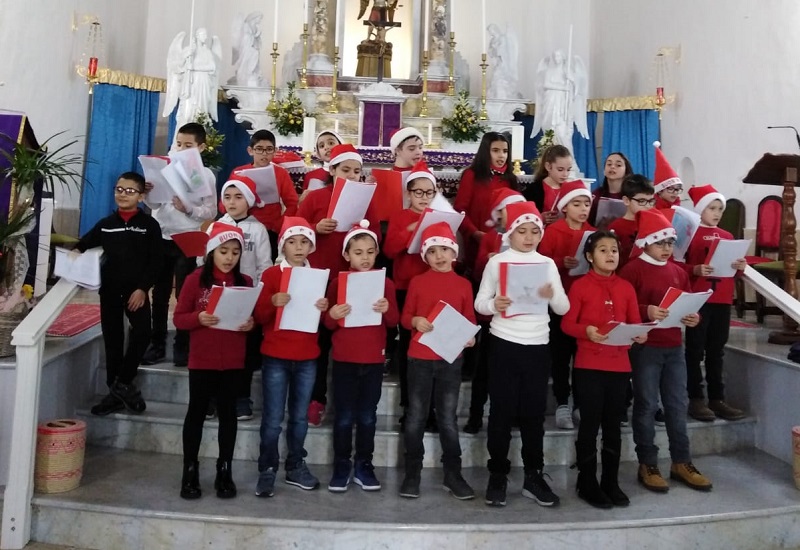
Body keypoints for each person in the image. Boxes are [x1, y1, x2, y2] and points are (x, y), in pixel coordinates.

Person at [474, 201, 569, 508]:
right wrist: (494, 306)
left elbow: (563, 308)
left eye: (535, 231)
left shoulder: (547, 264)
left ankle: (533, 475)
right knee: (501, 411)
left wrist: (552, 294)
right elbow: (480, 303)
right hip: (504, 342)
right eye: (522, 231)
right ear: (510, 233)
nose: (529, 237)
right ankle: (498, 474)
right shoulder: (497, 263)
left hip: (538, 345)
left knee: (533, 414)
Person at [618, 209, 713, 493]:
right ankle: (647, 462)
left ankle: (681, 460)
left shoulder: (677, 271)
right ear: (646, 242)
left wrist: (692, 317)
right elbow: (625, 306)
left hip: (673, 345)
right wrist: (646, 310)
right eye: (661, 243)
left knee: (677, 404)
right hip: (646, 347)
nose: (666, 249)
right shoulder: (632, 269)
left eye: (670, 243)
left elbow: (686, 304)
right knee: (646, 405)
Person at [561, 230, 646, 508]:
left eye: (614, 250)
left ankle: (610, 481)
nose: (610, 255)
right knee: (590, 425)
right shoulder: (580, 286)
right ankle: (587, 482)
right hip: (589, 366)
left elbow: (635, 323)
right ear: (589, 256)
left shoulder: (626, 287)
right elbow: (566, 324)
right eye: (603, 250)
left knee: (613, 426)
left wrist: (640, 334)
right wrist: (586, 331)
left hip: (620, 367)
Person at [298, 143, 381, 427]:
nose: (352, 175)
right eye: (345, 170)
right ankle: (315, 398)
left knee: (349, 341)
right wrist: (315, 228)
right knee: (319, 341)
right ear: (331, 170)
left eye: (357, 171)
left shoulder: (365, 200)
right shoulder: (315, 197)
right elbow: (294, 231)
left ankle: (350, 403)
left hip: (354, 279)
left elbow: (374, 234)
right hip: (321, 277)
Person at [173, 223, 254, 500]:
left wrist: (250, 324)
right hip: (202, 359)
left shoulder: (245, 282)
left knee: (228, 416)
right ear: (212, 252)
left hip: (232, 360)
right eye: (224, 251)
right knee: (196, 413)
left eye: (234, 252)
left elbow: (249, 318)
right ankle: (190, 469)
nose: (229, 257)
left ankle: (225, 468)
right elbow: (179, 318)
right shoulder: (196, 279)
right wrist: (199, 318)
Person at [399, 222, 476, 500]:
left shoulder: (464, 285)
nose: (439, 255)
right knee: (416, 416)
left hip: (450, 359)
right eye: (433, 251)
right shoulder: (418, 282)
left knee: (447, 418)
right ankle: (412, 473)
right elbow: (405, 317)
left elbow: (470, 321)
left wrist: (470, 338)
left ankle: (453, 474)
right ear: (425, 256)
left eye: (445, 249)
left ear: (454, 252)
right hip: (419, 357)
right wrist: (416, 321)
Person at [254, 217, 329, 498]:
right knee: (273, 418)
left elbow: (323, 323)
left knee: (299, 417)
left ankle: (295, 464)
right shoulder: (272, 275)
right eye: (292, 242)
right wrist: (272, 303)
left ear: (311, 246)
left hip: (307, 355)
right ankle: (267, 468)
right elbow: (259, 317)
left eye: (305, 242)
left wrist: (324, 308)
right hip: (275, 354)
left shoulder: (319, 275)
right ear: (282, 245)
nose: (299, 248)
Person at [76, 172, 162, 416]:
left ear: (141, 196)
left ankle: (123, 383)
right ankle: (115, 394)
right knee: (112, 343)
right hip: (111, 292)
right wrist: (71, 255)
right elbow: (83, 243)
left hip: (137, 293)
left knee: (143, 334)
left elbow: (156, 262)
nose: (123, 195)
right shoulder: (106, 224)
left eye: (130, 191)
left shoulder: (149, 226)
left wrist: (142, 289)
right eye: (119, 190)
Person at [324, 221, 399, 492]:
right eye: (358, 252)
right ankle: (342, 464)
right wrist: (332, 315)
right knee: (344, 415)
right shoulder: (337, 283)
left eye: (370, 251)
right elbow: (328, 323)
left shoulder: (385, 283)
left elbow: (393, 322)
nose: (365, 257)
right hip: (345, 358)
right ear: (347, 255)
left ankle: (364, 464)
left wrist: (387, 308)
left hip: (373, 360)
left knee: (368, 416)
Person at [141, 122, 216, 367]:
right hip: (161, 236)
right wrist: (148, 194)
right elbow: (155, 206)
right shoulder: (164, 169)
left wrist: (189, 209)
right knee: (160, 293)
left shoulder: (205, 175)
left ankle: (182, 345)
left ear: (201, 147)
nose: (181, 149)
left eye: (188, 146)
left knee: (184, 294)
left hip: (187, 237)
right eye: (179, 144)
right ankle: (157, 343)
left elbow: (210, 211)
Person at [683, 185, 747, 422]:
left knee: (716, 350)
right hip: (699, 299)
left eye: (720, 208)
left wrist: (738, 268)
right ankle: (695, 398)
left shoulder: (728, 236)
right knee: (695, 349)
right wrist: (695, 269)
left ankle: (717, 398)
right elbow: (679, 268)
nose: (717, 212)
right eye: (712, 208)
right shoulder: (689, 234)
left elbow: (732, 273)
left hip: (721, 299)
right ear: (700, 209)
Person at [383, 161, 439, 427]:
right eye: (419, 192)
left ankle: (430, 408)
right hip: (406, 289)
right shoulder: (400, 217)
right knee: (410, 349)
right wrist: (409, 232)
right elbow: (389, 251)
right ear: (409, 194)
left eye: (429, 193)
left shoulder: (439, 216)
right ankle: (410, 407)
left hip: (434, 289)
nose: (424, 197)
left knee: (433, 349)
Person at [465, 188, 526, 434]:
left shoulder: (525, 238)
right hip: (491, 314)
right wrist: (488, 261)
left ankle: (511, 412)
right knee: (483, 369)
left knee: (512, 369)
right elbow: (479, 273)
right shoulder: (491, 237)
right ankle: (475, 415)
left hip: (517, 315)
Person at [537, 180, 595, 430]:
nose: (583, 208)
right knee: (560, 355)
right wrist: (562, 262)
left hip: (585, 303)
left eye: (586, 203)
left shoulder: (592, 233)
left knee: (582, 356)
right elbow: (541, 263)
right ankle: (562, 402)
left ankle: (582, 403)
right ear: (565, 207)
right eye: (577, 203)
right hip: (559, 302)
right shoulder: (554, 231)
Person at [215, 175, 273, 420]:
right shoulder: (216, 226)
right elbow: (204, 260)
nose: (232, 202)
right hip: (219, 297)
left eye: (238, 197)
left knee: (246, 353)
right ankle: (214, 397)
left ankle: (241, 398)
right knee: (219, 351)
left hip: (247, 298)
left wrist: (257, 298)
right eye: (227, 197)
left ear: (248, 200)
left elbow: (264, 266)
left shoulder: (257, 229)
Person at [454, 131, 520, 272]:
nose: (501, 155)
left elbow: (516, 211)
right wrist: (474, 233)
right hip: (476, 241)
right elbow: (460, 209)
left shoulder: (510, 179)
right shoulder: (471, 175)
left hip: (504, 242)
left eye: (505, 151)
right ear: (485, 152)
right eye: (495, 150)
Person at [230, 129, 299, 261]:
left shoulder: (280, 173)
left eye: (269, 149)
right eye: (259, 149)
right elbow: (226, 200)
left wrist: (279, 224)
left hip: (270, 228)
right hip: (242, 226)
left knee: (265, 264)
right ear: (250, 151)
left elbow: (292, 202)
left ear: (275, 151)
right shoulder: (239, 172)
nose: (264, 154)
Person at [608, 175, 656, 271]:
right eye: (642, 201)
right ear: (626, 201)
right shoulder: (616, 227)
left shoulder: (654, 223)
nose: (648, 206)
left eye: (651, 201)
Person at [523, 144, 573, 225]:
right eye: (560, 169)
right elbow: (523, 216)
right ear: (548, 166)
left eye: (568, 169)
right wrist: (539, 217)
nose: (565, 174)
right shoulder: (533, 189)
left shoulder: (571, 189)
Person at [589, 152, 633, 227]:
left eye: (618, 165)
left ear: (626, 171)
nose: (612, 167)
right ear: (604, 171)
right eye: (609, 164)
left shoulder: (632, 195)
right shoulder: (596, 195)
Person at [300, 130, 344, 203]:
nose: (326, 147)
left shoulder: (348, 172)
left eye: (331, 143)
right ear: (318, 154)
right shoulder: (310, 176)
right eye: (321, 146)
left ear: (341, 145)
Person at [652, 142, 683, 210]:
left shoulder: (679, 209)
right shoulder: (651, 208)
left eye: (677, 189)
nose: (675, 192)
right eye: (671, 189)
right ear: (659, 191)